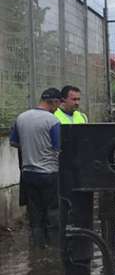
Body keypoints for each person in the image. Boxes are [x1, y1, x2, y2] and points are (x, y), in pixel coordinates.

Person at [9, 89, 62, 248]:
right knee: (52, 212)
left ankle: (38, 248)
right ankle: (53, 249)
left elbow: (13, 143)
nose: (57, 108)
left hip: (28, 174)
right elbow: (58, 147)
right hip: (49, 174)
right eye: (57, 104)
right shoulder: (52, 121)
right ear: (52, 102)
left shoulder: (22, 117)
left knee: (35, 214)